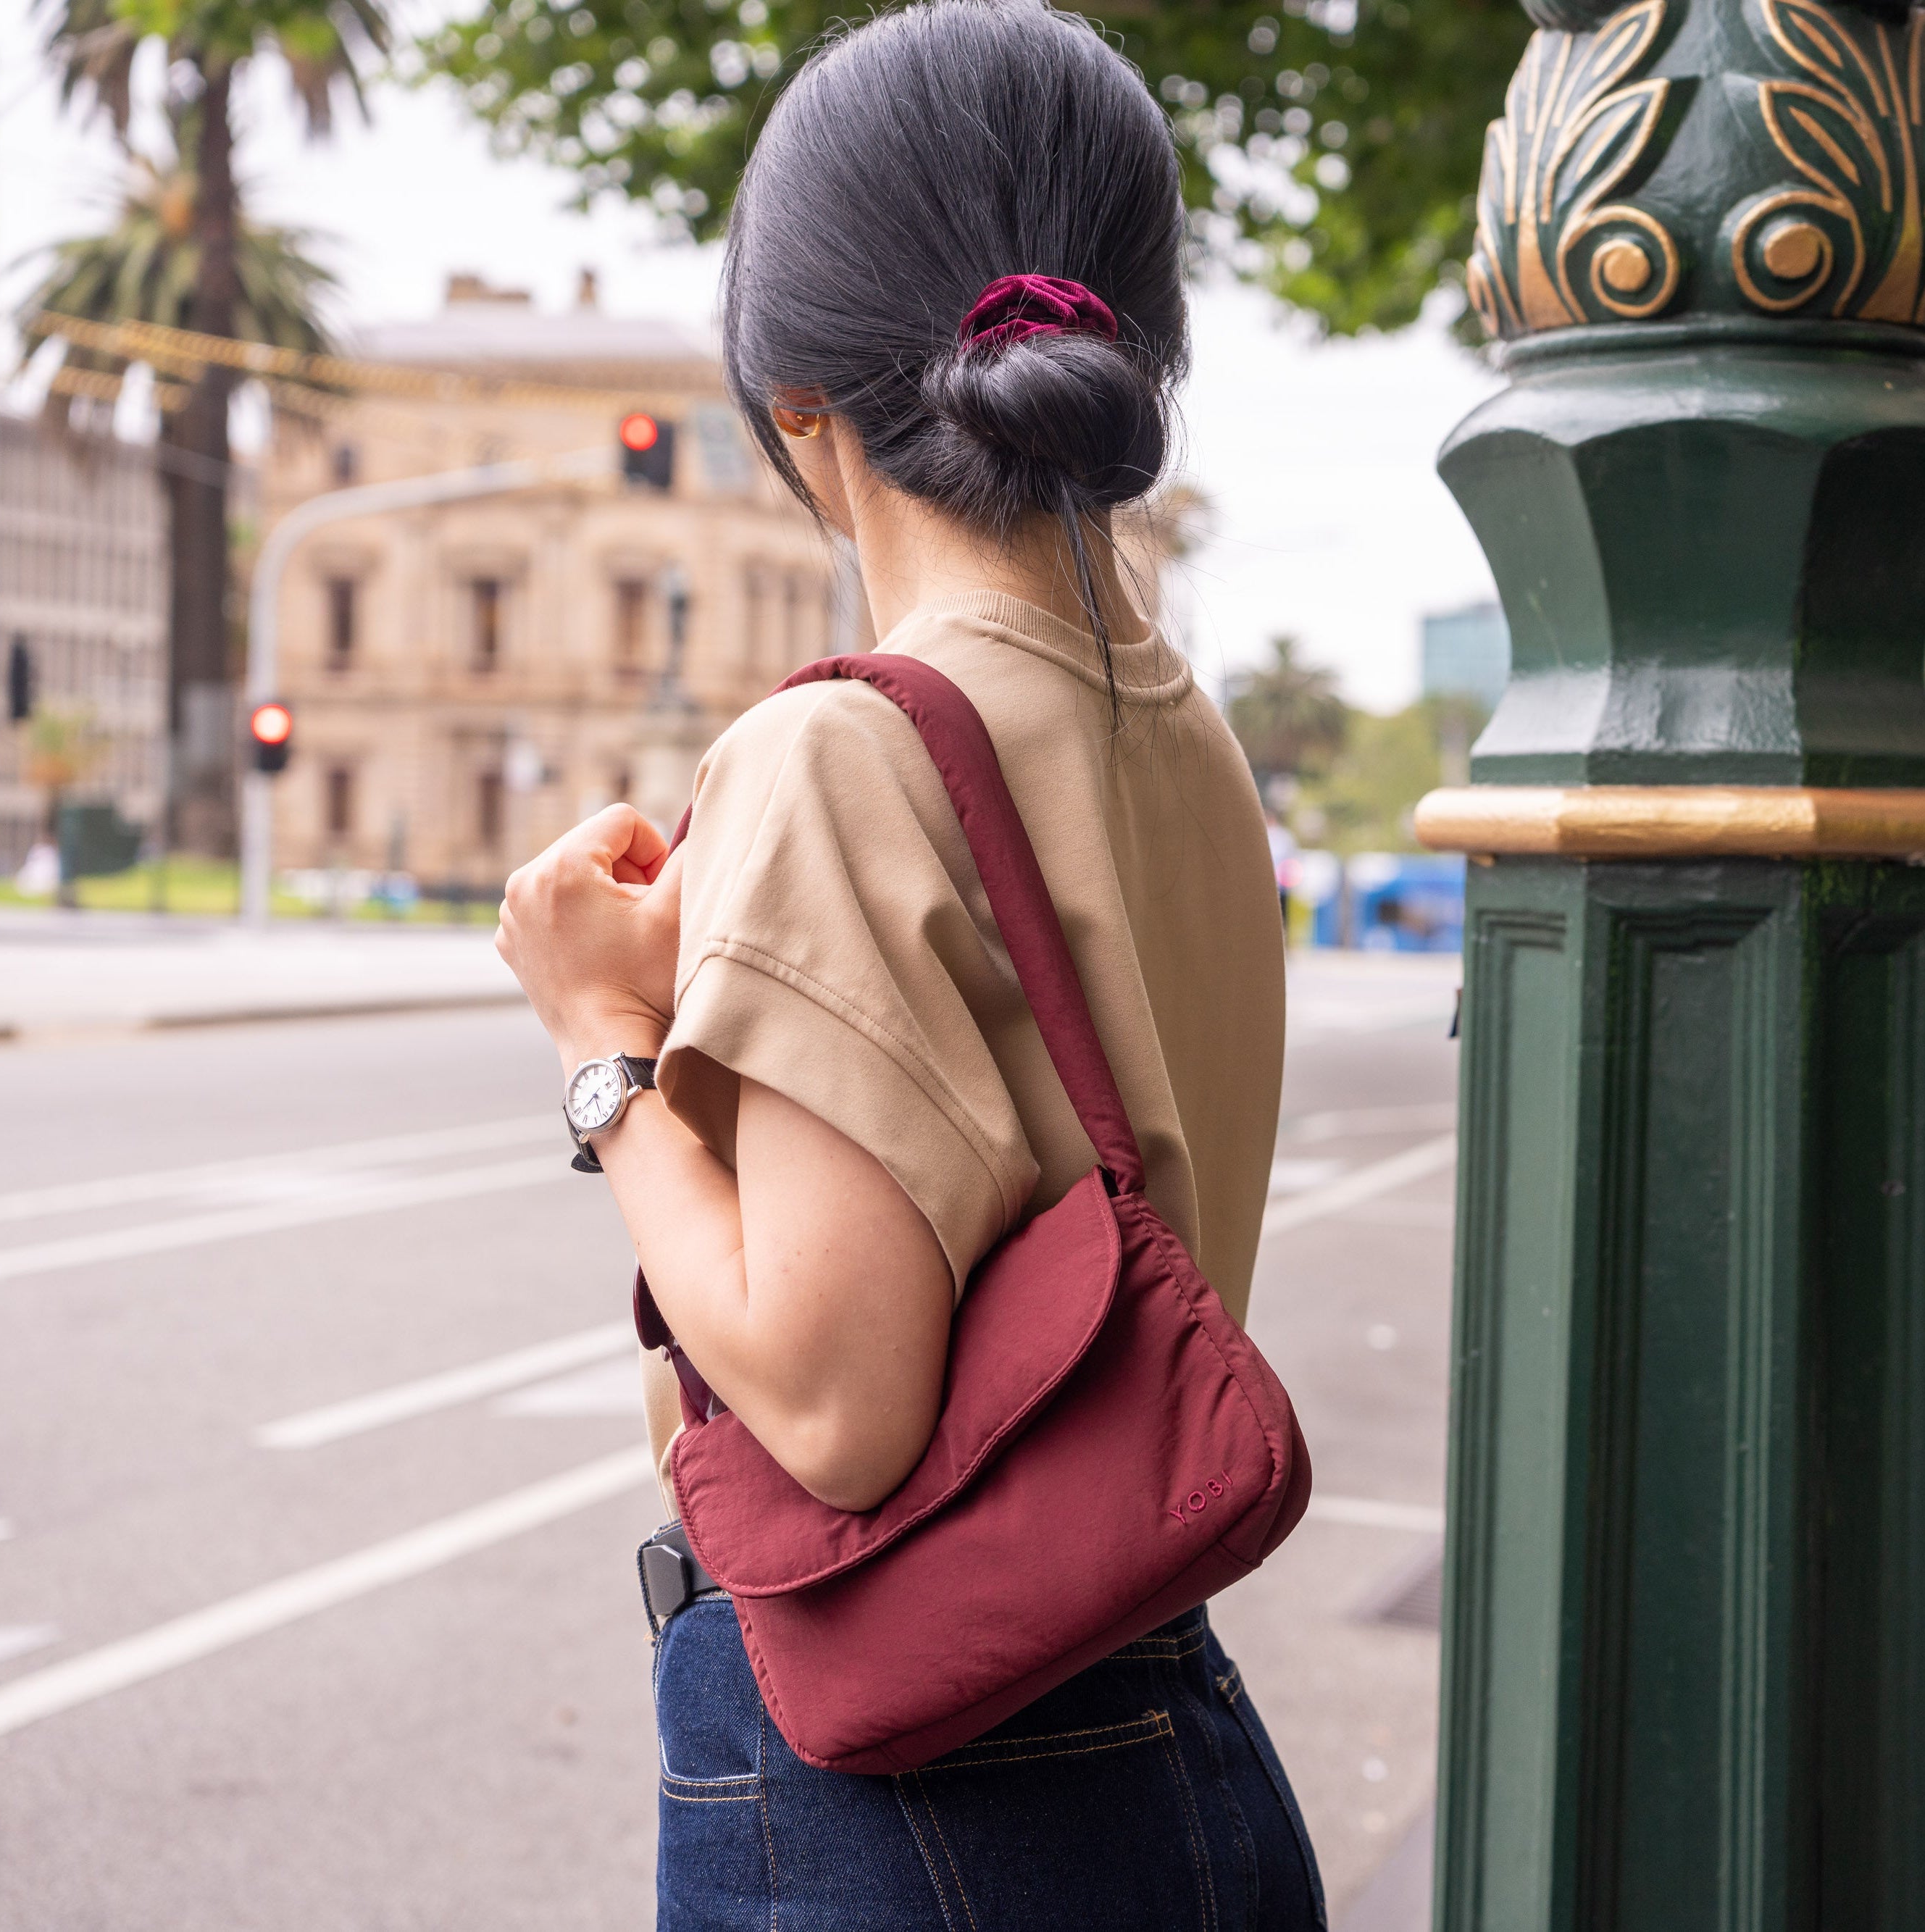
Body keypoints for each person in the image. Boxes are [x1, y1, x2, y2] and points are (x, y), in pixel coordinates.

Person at [496, 3, 1320, 1924]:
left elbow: (834, 1400)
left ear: (791, 400)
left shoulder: (831, 746)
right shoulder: (1178, 724)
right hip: (1165, 1728)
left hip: (915, 1780)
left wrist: (603, 1045)